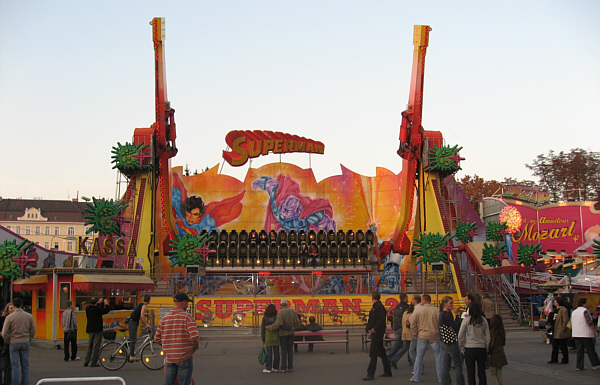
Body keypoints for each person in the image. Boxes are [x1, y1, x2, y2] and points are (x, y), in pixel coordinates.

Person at [154, 293, 200, 385]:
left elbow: (156, 338)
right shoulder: (187, 317)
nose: (187, 305)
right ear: (183, 302)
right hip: (184, 356)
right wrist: (195, 347)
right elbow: (194, 336)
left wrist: (169, 347)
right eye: (187, 302)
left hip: (170, 358)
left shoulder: (164, 318)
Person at [1, 297, 35, 385]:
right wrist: (29, 338)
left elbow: (4, 332)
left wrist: (8, 339)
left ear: (14, 305)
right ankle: (25, 383)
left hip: (13, 342)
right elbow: (33, 330)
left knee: (14, 366)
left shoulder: (9, 317)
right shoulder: (28, 316)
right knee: (25, 366)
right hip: (25, 341)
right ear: (22, 304)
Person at [410, 294, 443, 383]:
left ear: (423, 301)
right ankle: (441, 378)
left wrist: (415, 334)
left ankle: (416, 377)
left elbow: (413, 324)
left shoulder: (419, 311)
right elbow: (440, 323)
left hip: (422, 335)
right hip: (435, 335)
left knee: (419, 356)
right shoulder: (436, 311)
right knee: (438, 356)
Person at [458, 301, 490, 385]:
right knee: (482, 371)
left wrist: (462, 347)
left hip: (469, 347)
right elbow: (488, 336)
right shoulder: (483, 320)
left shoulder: (467, 320)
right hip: (481, 347)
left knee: (470, 372)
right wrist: (487, 348)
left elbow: (460, 335)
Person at [362, 291, 392, 381]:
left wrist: (374, 328)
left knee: (373, 353)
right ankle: (388, 371)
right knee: (381, 352)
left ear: (372, 297)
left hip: (377, 332)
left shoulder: (377, 307)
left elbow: (380, 319)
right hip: (379, 331)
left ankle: (370, 373)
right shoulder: (379, 306)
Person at [267, 298, 301, 373]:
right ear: (287, 304)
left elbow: (278, 324)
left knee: (283, 351)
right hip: (291, 333)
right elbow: (297, 322)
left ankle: (283, 367)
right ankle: (290, 367)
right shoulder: (293, 311)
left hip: (283, 334)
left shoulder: (280, 312)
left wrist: (270, 327)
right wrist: (294, 327)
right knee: (290, 350)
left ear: (280, 304)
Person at [439, 296, 464, 385]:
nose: (452, 305)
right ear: (445, 304)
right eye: (451, 303)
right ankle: (460, 382)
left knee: (446, 365)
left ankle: (445, 382)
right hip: (450, 341)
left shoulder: (441, 314)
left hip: (444, 341)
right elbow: (456, 326)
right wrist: (457, 315)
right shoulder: (448, 314)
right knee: (458, 365)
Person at [570, 297, 600, 371]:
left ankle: (579, 366)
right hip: (585, 333)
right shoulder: (585, 311)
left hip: (576, 333)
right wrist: (595, 331)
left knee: (580, 351)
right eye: (586, 303)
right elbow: (589, 322)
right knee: (590, 350)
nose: (587, 304)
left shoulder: (574, 312)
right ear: (584, 304)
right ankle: (595, 364)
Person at [83, 297, 110, 367]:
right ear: (96, 303)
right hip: (97, 329)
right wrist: (106, 304)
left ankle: (86, 361)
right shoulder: (98, 309)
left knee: (90, 346)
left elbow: (97, 308)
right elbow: (105, 310)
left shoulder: (88, 309)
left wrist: (99, 303)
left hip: (90, 329)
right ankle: (93, 361)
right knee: (96, 346)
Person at [387, 293, 409, 369]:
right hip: (403, 328)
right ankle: (392, 359)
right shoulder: (406, 307)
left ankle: (390, 358)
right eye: (407, 297)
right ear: (404, 298)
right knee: (406, 345)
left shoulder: (397, 307)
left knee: (398, 344)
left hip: (397, 328)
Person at [128, 294, 151, 362]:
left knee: (132, 338)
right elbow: (142, 315)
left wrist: (145, 324)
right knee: (133, 339)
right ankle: (131, 355)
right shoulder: (144, 305)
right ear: (149, 300)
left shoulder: (141, 304)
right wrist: (146, 325)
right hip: (133, 322)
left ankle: (125, 352)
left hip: (133, 322)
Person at [547, 296, 570, 364]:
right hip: (555, 330)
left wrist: (562, 329)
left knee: (563, 346)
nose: (554, 302)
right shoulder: (556, 310)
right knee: (555, 345)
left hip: (560, 330)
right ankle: (554, 358)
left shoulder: (563, 310)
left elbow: (565, 321)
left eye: (555, 301)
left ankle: (565, 359)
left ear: (558, 302)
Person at [488, 315, 508, 385]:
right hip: (501, 353)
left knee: (493, 374)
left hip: (494, 354)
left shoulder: (492, 331)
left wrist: (488, 350)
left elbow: (492, 344)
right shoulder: (502, 331)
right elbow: (504, 342)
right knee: (499, 374)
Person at [261, 304, 279, 373]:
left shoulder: (265, 318)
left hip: (268, 336)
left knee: (269, 353)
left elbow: (263, 329)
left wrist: (263, 339)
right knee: (276, 353)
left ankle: (268, 368)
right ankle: (276, 367)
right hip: (276, 336)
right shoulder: (276, 317)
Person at [0, 303, 14, 385]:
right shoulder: (2, 319)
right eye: (11, 308)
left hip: (11, 342)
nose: (12, 310)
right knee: (3, 364)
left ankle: (7, 381)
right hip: (2, 343)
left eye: (13, 308)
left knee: (9, 365)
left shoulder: (14, 319)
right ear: (7, 309)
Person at [408, 294, 422, 369]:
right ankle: (419, 367)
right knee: (416, 350)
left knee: (412, 350)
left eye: (412, 299)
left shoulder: (417, 309)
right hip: (418, 330)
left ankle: (418, 367)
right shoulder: (418, 308)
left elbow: (413, 320)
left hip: (416, 331)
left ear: (415, 300)